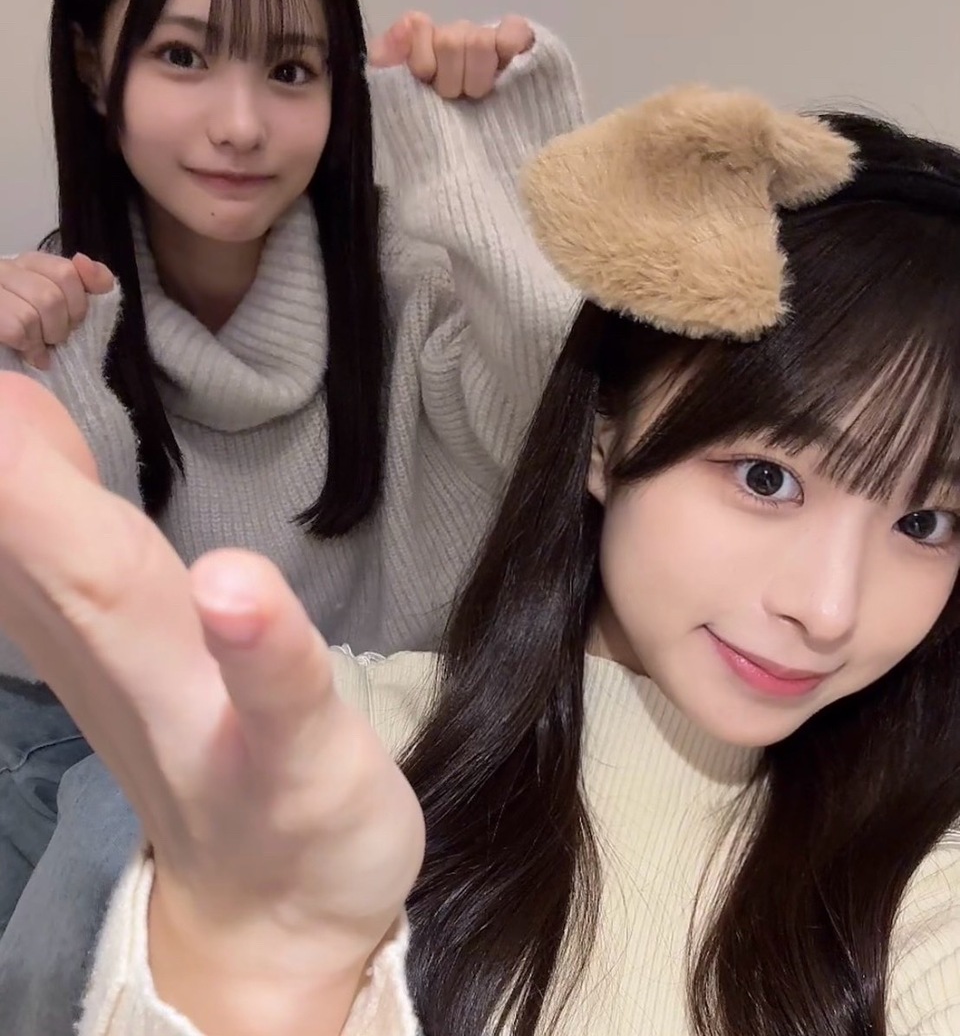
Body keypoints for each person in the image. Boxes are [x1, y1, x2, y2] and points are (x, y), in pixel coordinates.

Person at [2, 84, 960, 1035]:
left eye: (925, 523)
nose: (829, 610)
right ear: (605, 432)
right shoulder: (324, 753)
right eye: (766, 479)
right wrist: (260, 972)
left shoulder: (924, 884)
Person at [0, 0, 584, 933]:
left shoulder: (420, 278)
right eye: (182, 55)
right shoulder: (57, 316)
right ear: (93, 66)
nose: (241, 124)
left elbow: (549, 439)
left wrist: (491, 177)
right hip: (151, 775)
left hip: (405, 766)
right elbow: (58, 655)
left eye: (291, 70)